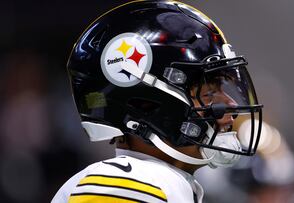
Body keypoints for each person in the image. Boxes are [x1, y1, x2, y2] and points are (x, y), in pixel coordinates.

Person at [52, 1, 263, 202]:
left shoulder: (167, 183)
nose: (232, 105)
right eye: (208, 93)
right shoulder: (129, 185)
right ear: (146, 104)